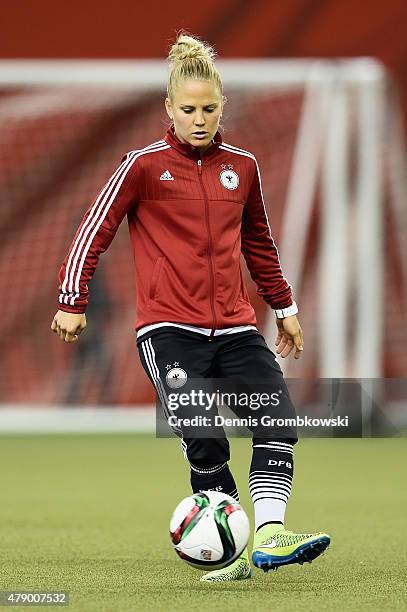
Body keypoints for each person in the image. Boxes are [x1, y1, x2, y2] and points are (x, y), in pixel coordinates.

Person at [51, 32, 330, 582]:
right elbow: (95, 229)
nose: (199, 119)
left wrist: (286, 306)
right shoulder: (141, 166)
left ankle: (270, 537)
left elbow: (259, 245)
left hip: (235, 327)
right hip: (168, 330)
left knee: (276, 419)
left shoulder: (243, 167)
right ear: (168, 110)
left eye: (208, 108)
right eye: (188, 109)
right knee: (204, 434)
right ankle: (228, 548)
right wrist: (72, 299)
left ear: (222, 105)